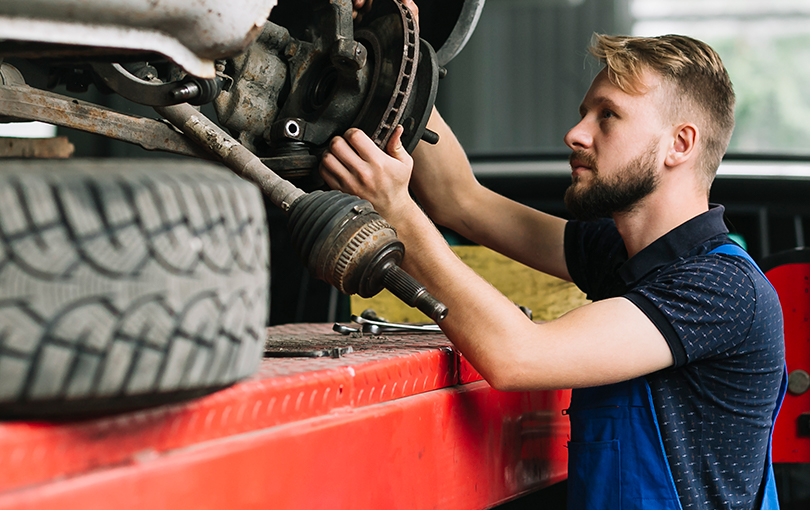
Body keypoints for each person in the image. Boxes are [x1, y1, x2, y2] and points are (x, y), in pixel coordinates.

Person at [320, 32, 785, 510]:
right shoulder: (623, 257)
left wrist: (396, 213)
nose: (576, 133)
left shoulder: (721, 289)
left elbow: (518, 356)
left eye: (608, 115)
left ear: (680, 144)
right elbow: (461, 200)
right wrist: (405, 56)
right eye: (585, 113)